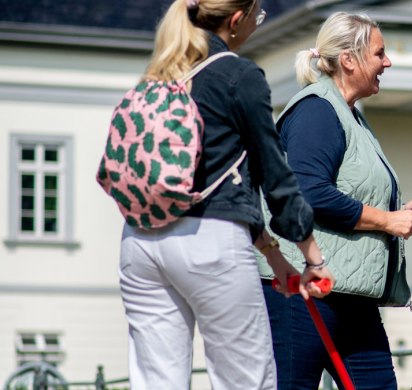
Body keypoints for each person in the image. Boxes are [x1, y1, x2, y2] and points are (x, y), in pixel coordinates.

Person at [117, 0, 332, 388]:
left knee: (156, 382)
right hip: (208, 242)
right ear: (237, 20)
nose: (257, 23)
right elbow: (273, 173)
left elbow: (216, 169)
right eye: (257, 15)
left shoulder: (160, 74)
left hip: (139, 242)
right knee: (244, 380)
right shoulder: (238, 74)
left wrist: (270, 253)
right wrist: (311, 257)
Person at [258, 12, 412, 390]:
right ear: (350, 60)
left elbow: (347, 191)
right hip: (304, 296)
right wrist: (386, 222)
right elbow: (307, 192)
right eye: (379, 53)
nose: (387, 62)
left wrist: (396, 215)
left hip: (353, 299)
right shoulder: (316, 110)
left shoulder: (350, 117)